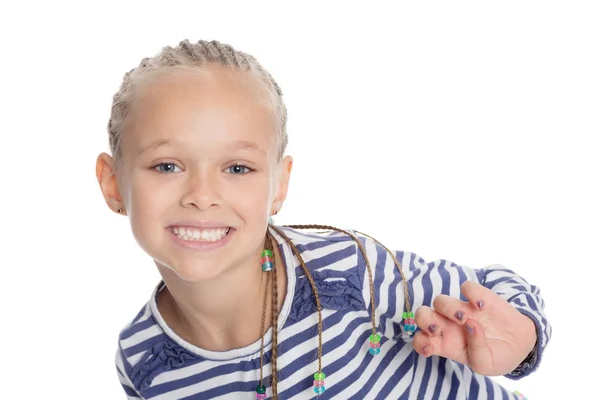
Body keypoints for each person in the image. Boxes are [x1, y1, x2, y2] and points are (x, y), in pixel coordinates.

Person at [95, 39, 550, 399]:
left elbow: (499, 286)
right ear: (113, 184)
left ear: (279, 186)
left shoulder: (347, 273)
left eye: (237, 169)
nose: (201, 196)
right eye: (167, 166)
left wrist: (522, 339)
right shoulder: (144, 362)